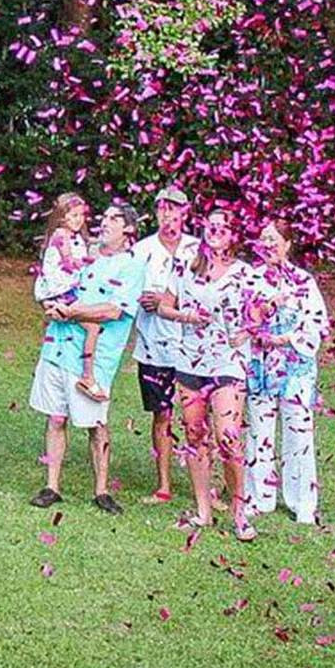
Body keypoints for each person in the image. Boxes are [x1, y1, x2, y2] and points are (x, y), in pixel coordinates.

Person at [28, 204, 146, 514]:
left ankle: (102, 491)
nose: (104, 223)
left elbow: (114, 310)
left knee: (96, 423)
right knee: (55, 417)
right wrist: (53, 305)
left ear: (129, 230)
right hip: (58, 348)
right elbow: (57, 283)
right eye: (104, 217)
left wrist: (72, 312)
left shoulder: (131, 266)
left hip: (94, 359)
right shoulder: (84, 255)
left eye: (113, 219)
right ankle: (52, 485)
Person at [157, 207, 257, 540]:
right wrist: (187, 317)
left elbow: (262, 311)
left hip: (228, 362)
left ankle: (239, 512)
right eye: (210, 226)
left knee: (228, 436)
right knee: (195, 433)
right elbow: (163, 306)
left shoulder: (245, 273)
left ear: (233, 235)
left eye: (222, 227)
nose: (214, 231)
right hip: (190, 362)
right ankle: (203, 510)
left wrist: (250, 329)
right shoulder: (187, 263)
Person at [244, 218, 329, 527]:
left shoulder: (303, 281)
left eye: (274, 239)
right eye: (264, 238)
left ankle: (302, 502)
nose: (268, 244)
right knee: (259, 431)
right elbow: (241, 317)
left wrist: (286, 339)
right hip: (261, 367)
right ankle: (258, 496)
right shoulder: (251, 278)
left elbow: (318, 323)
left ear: (288, 244)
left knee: (298, 433)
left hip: (295, 369)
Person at [131, 184, 200, 505]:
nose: (168, 214)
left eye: (174, 208)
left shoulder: (198, 249)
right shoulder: (141, 250)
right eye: (162, 208)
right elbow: (124, 290)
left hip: (193, 349)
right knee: (162, 415)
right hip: (153, 346)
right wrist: (143, 300)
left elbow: (207, 296)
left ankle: (205, 484)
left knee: (198, 417)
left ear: (185, 213)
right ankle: (163, 484)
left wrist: (167, 301)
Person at [33, 193, 104, 402]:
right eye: (73, 216)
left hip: (65, 291)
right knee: (92, 327)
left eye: (81, 215)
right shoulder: (61, 235)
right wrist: (91, 260)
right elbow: (69, 262)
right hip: (61, 292)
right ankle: (87, 376)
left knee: (74, 327)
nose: (78, 220)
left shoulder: (74, 236)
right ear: (62, 216)